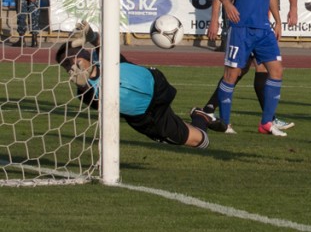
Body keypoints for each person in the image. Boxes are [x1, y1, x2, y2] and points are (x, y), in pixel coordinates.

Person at [55, 36, 214, 150]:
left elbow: (101, 43)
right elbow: (97, 101)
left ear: (85, 54)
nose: (71, 67)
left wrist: (91, 35)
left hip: (156, 84)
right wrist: (83, 85)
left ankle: (195, 119)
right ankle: (201, 117)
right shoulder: (83, 92)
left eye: (72, 60)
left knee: (179, 127)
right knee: (199, 140)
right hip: (149, 116)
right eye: (66, 65)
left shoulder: (104, 57)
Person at [210, 0, 288, 136]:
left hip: (264, 28)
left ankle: (266, 124)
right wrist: (227, 4)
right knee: (231, 74)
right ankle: (225, 122)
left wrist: (278, 21)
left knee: (276, 71)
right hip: (241, 27)